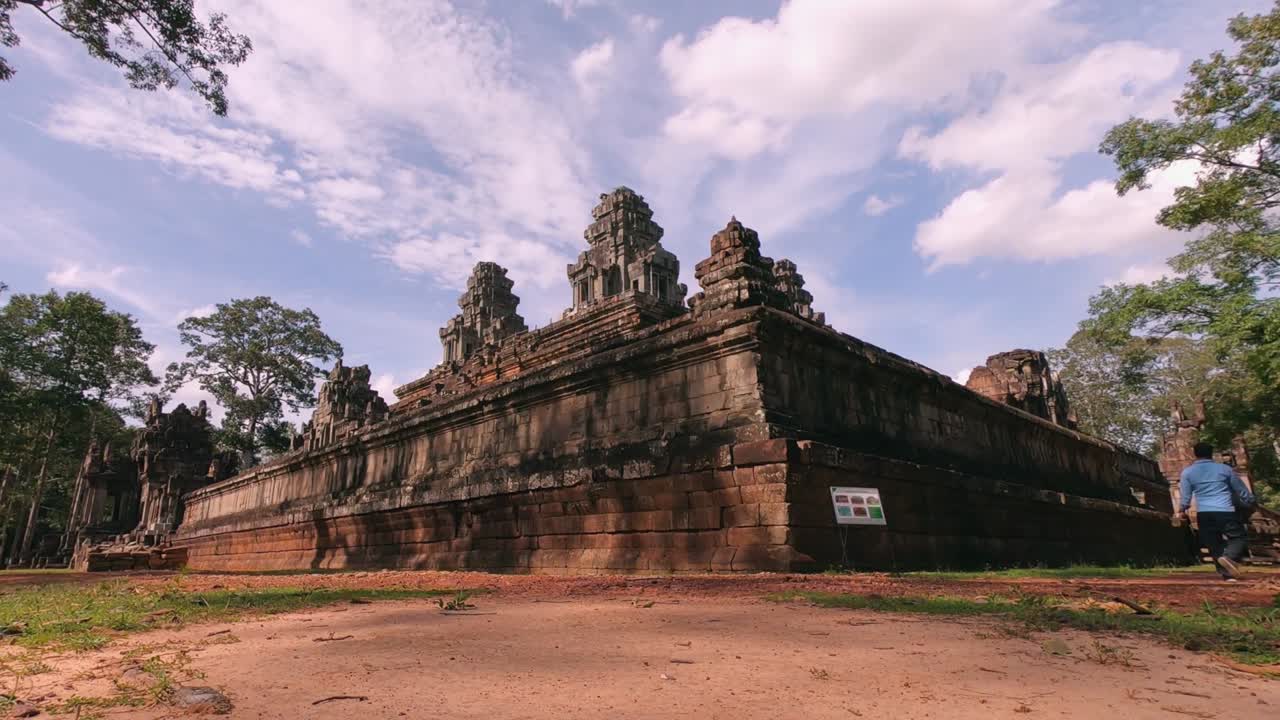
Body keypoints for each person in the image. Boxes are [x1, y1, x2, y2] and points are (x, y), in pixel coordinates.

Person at [1176, 442, 1255, 581]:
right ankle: (1229, 557)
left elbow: (1185, 497)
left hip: (1204, 513)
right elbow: (1241, 490)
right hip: (1225, 510)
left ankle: (1227, 575)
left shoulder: (1188, 472)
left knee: (1213, 543)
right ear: (1211, 453)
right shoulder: (1224, 469)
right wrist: (1250, 501)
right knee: (1238, 537)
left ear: (1195, 454)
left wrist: (1180, 510)